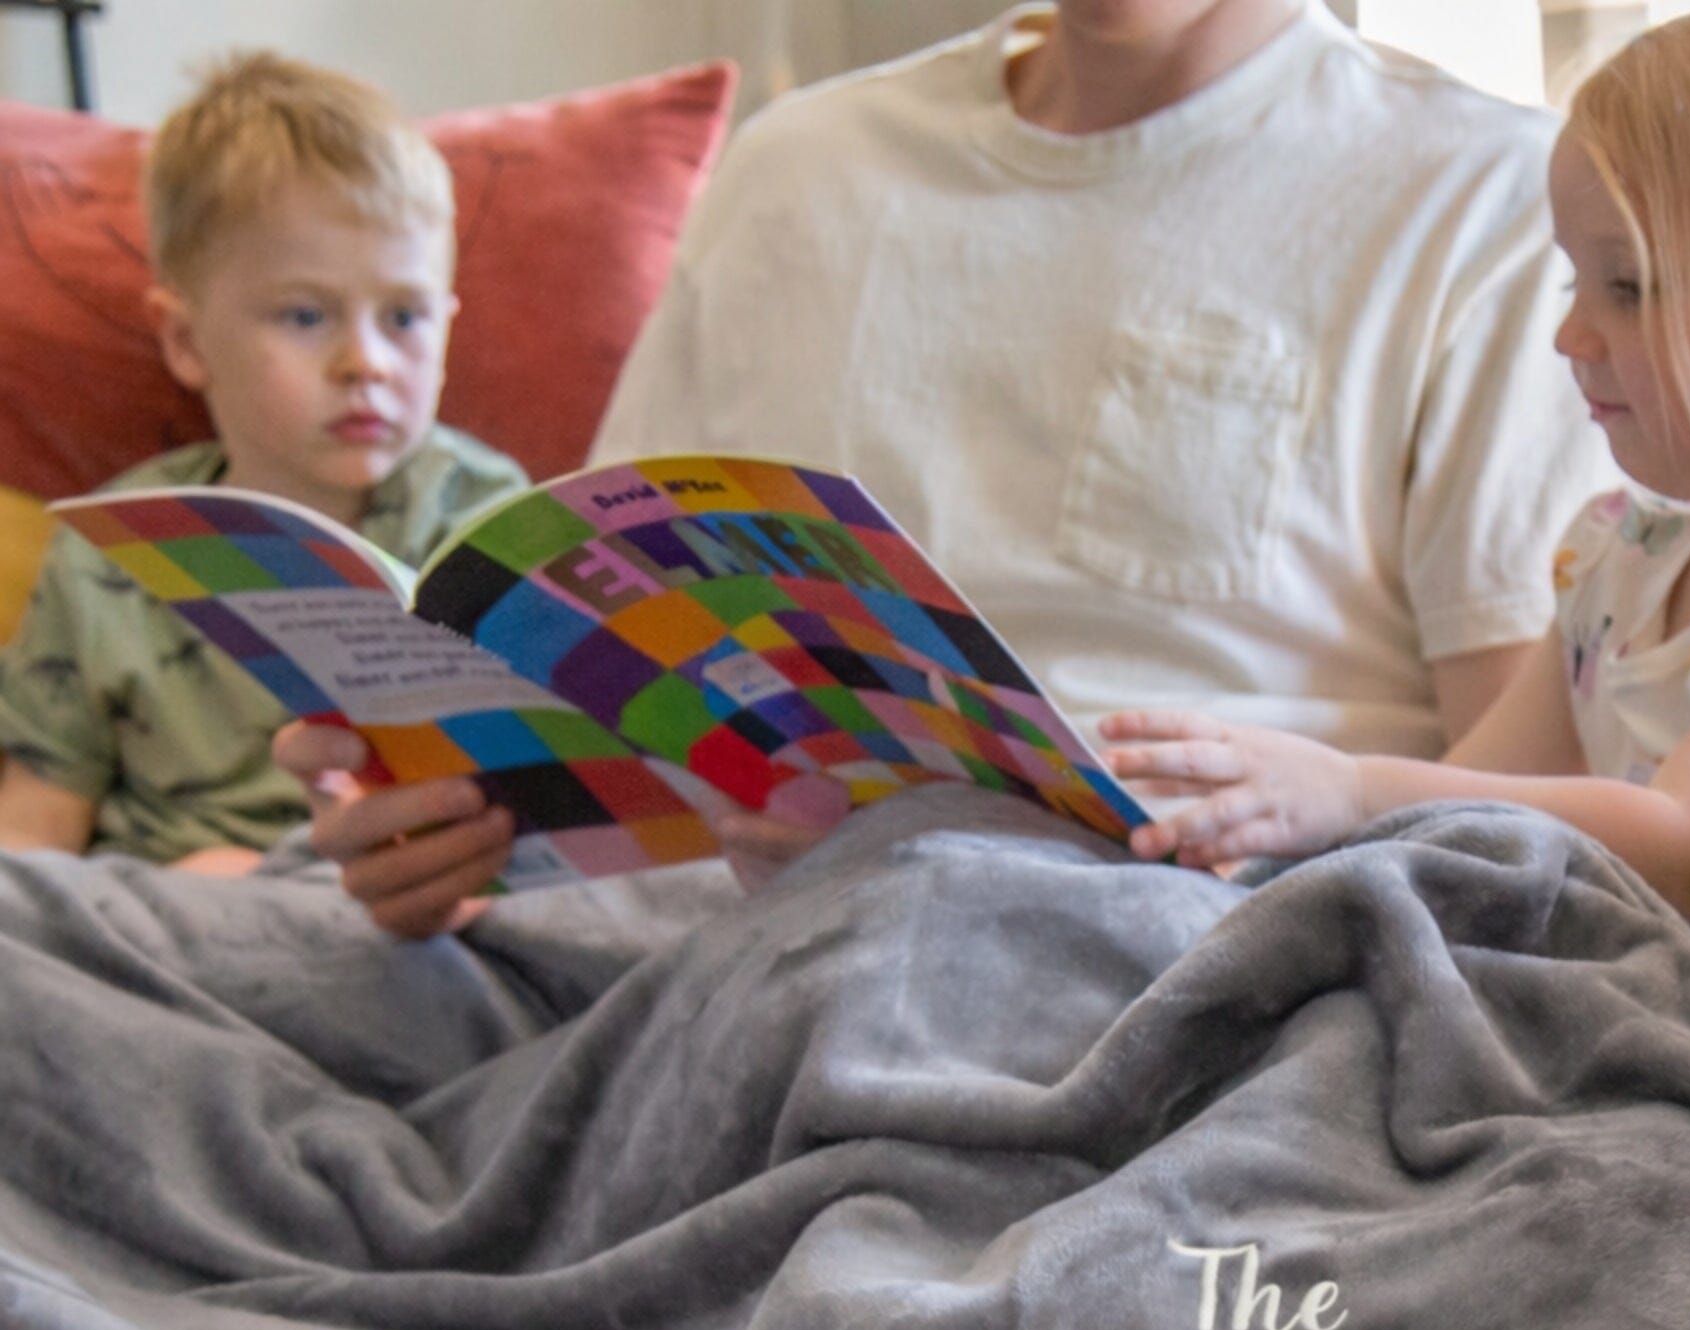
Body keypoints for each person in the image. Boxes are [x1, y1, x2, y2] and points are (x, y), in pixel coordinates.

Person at [277, 0, 1616, 935]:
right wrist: (455, 812)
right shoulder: (800, 171)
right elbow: (596, 646)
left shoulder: (1490, 200)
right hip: (707, 937)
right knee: (100, 969)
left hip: (1176, 945)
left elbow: (1525, 804)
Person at [1101, 0, 1690, 976]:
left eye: (1628, 288)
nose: (1569, 336)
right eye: (1573, 286)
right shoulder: (1625, 552)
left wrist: (1348, 789)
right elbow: (1465, 792)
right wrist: (1286, 831)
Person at [0, 52, 525, 875]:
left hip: (419, 907)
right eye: (307, 315)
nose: (367, 363)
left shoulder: (487, 514)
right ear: (185, 340)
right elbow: (38, 817)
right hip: (167, 916)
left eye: (405, 317)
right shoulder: (109, 549)